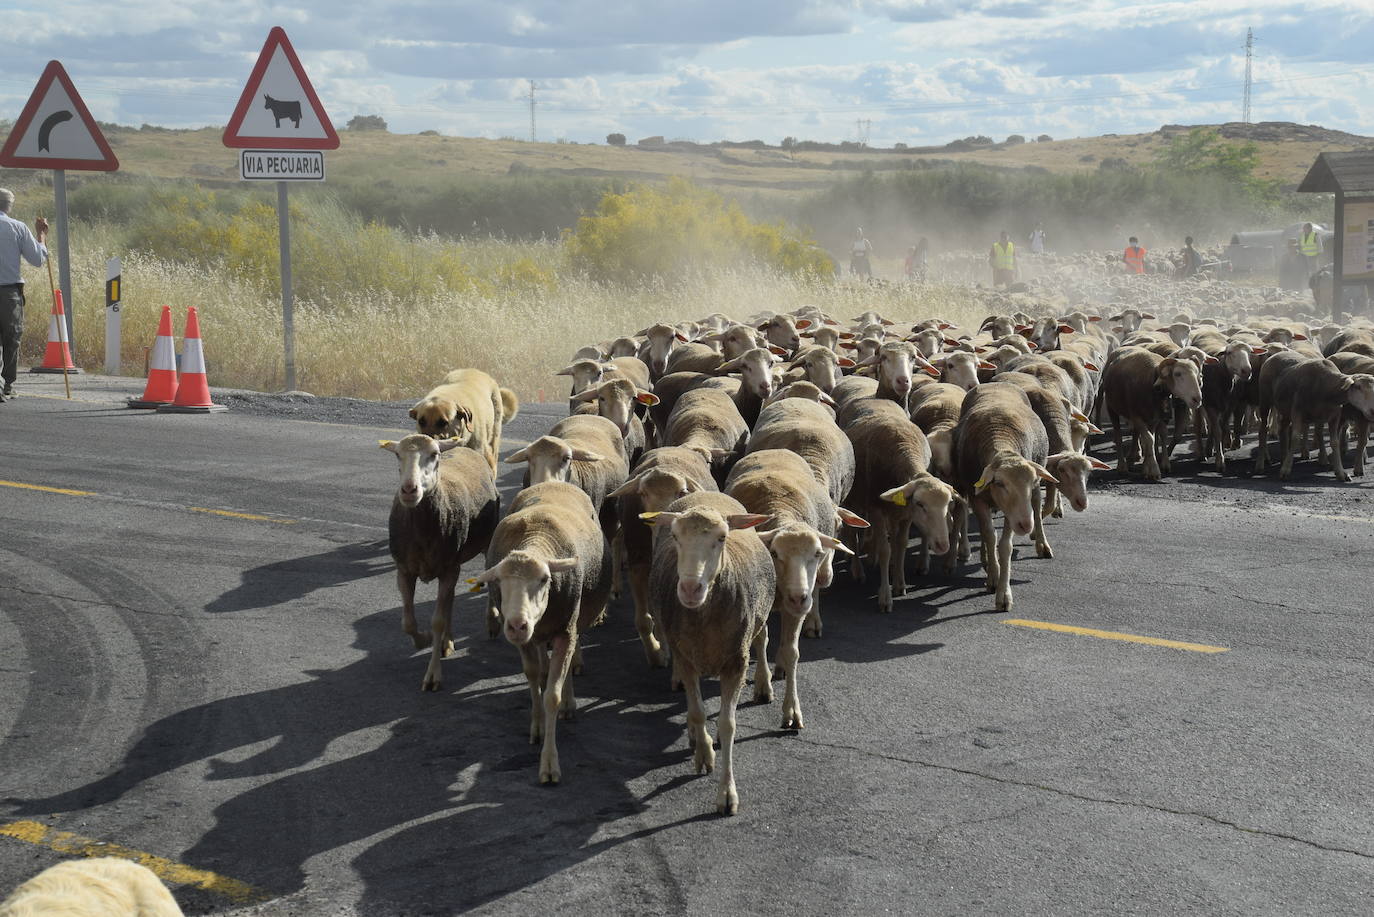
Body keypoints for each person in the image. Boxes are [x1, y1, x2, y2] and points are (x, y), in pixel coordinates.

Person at [0, 188, 48, 402]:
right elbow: (37, 259)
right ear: (8, 206)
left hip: (9, 291)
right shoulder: (17, 227)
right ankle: (7, 383)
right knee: (11, 339)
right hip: (8, 293)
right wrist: (41, 235)